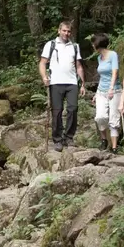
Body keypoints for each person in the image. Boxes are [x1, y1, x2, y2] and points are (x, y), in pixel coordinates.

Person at [39, 21, 86, 152]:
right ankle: (57, 140)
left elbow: (79, 66)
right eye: (64, 31)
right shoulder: (51, 45)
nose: (66, 33)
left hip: (72, 82)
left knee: (73, 109)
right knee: (57, 111)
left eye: (69, 31)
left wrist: (83, 84)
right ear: (59, 31)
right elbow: (43, 63)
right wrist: (44, 77)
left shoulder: (75, 46)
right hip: (55, 82)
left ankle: (69, 137)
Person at [91, 33, 121, 153]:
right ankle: (104, 140)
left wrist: (111, 88)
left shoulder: (113, 55)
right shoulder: (99, 58)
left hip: (115, 90)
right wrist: (96, 93)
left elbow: (115, 72)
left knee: (114, 118)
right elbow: (102, 77)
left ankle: (114, 147)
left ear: (97, 44)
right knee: (100, 116)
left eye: (93, 43)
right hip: (101, 91)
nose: (92, 45)